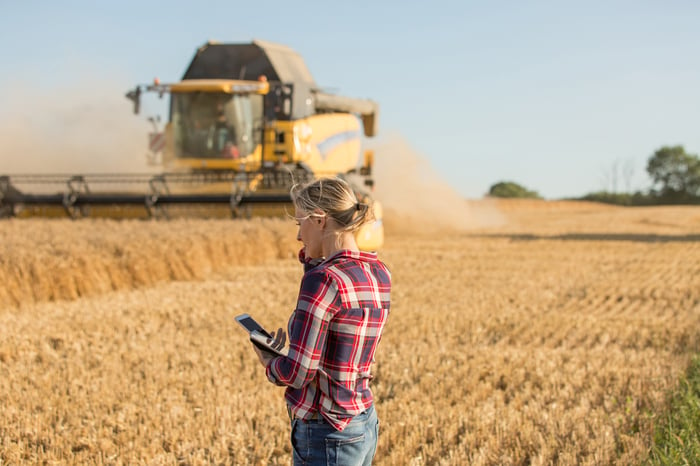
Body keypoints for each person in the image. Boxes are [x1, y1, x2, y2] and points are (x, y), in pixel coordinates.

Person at [253, 177, 392, 466]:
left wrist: (270, 363)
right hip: (362, 422)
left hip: (326, 431)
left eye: (300, 223)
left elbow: (299, 373)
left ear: (319, 221)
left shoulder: (323, 281)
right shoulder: (378, 273)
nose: (298, 236)